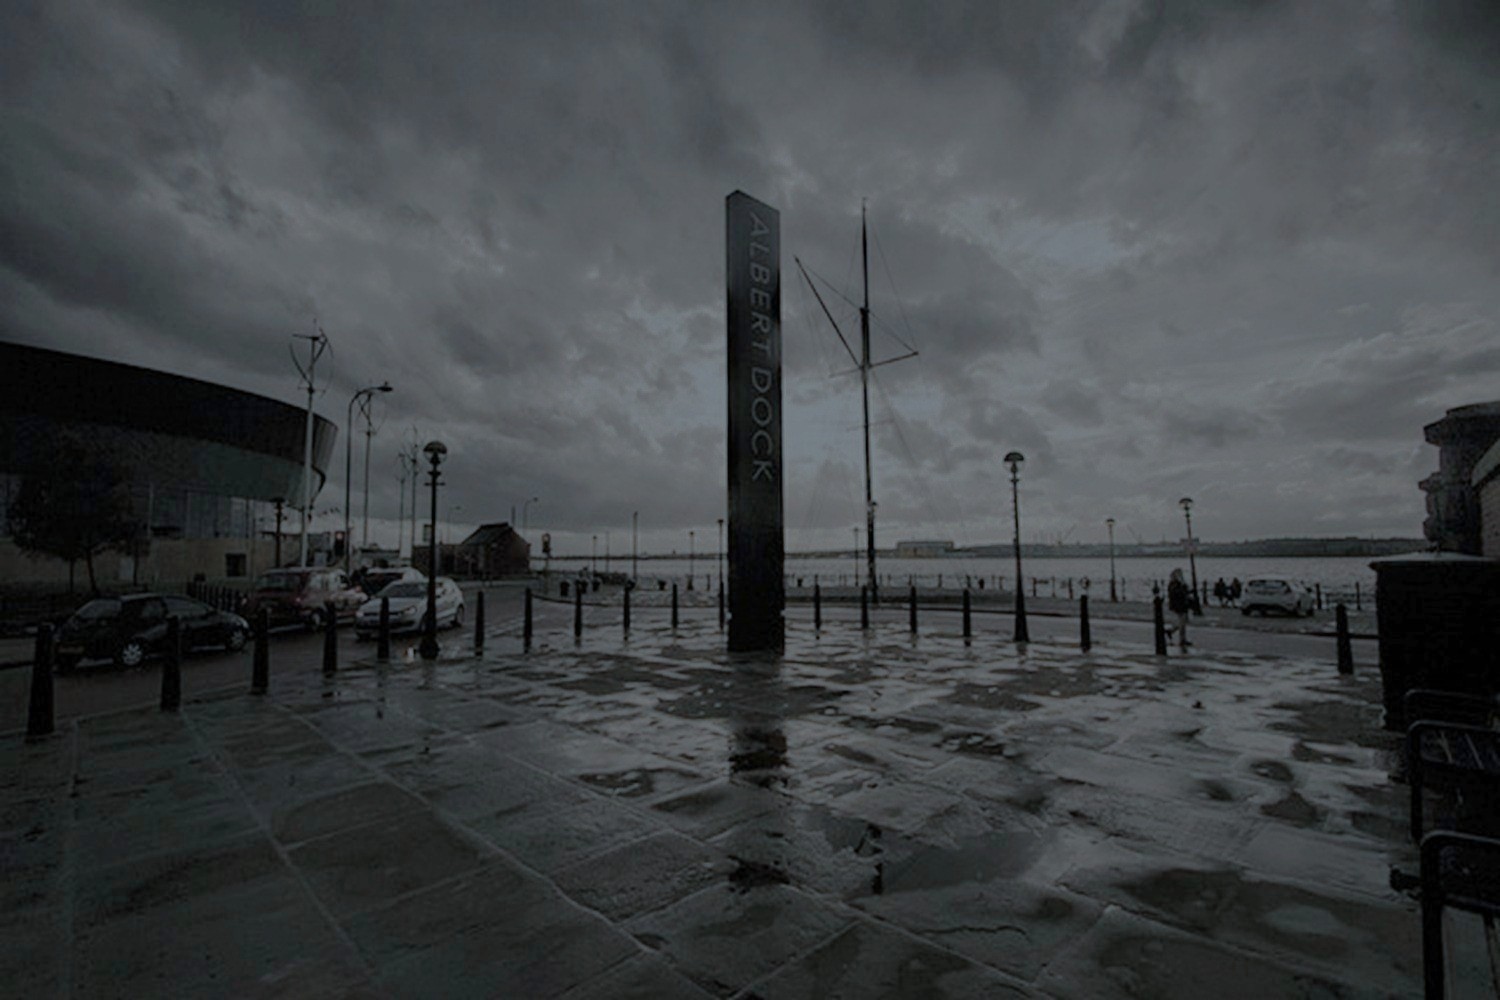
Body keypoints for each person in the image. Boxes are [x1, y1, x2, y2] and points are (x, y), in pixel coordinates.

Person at [1167, 568, 1192, 650]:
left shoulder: (1178, 584)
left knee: (1184, 621)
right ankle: (1178, 636)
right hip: (1179, 605)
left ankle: (1177, 635)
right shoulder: (1174, 585)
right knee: (1182, 621)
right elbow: (1176, 594)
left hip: (1182, 604)